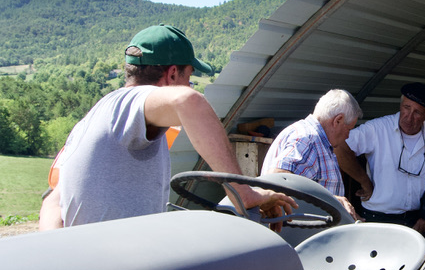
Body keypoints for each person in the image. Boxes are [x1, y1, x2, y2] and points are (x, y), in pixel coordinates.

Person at [39, 25, 296, 229]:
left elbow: (53, 200)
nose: (190, 86)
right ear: (172, 75)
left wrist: (59, 254)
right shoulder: (130, 104)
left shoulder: (95, 117)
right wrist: (244, 192)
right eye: (189, 77)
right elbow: (189, 102)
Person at [335, 82, 425, 237]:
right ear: (401, 104)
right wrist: (364, 181)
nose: (409, 117)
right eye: (406, 107)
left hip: (416, 220)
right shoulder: (377, 129)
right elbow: (339, 147)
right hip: (378, 218)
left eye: (417, 112)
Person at [260, 89, 362, 221]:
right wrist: (331, 201)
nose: (348, 136)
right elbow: (276, 180)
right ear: (338, 120)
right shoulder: (308, 140)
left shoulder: (314, 138)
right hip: (296, 234)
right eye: (349, 129)